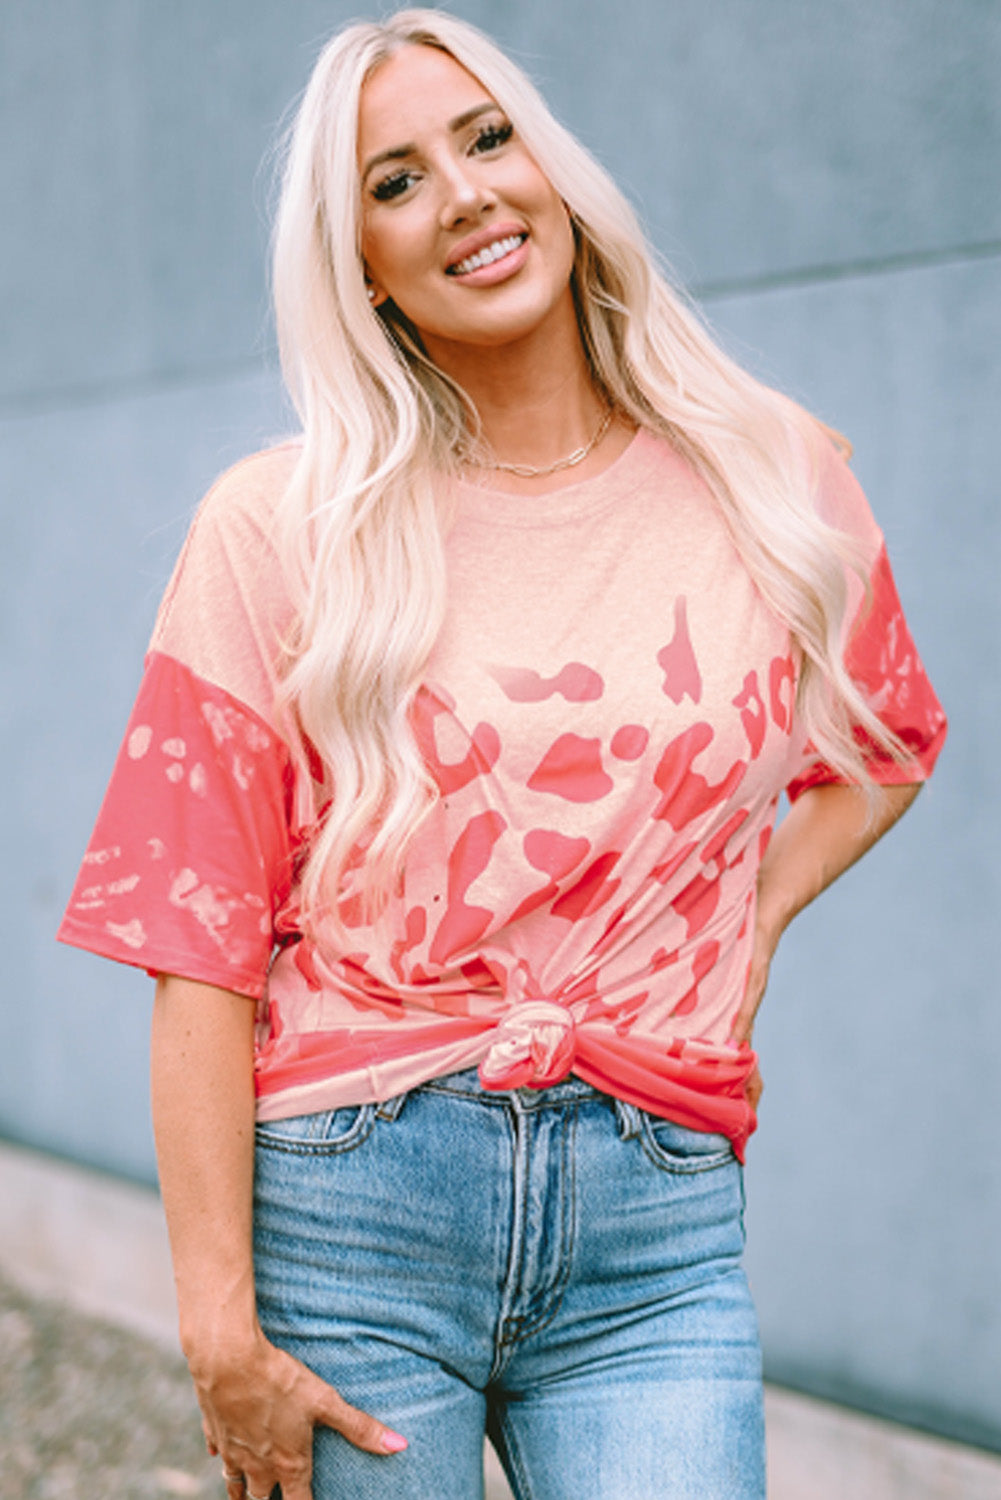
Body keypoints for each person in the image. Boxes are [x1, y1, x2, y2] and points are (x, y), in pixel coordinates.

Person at [58, 9, 947, 1499]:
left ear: (553, 168)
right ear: (359, 269)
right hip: (352, 1214)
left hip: (650, 1228)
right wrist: (217, 1330)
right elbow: (194, 944)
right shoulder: (276, 526)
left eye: (486, 138)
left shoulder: (763, 469)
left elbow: (884, 740)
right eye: (393, 183)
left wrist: (751, 921)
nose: (463, 194)